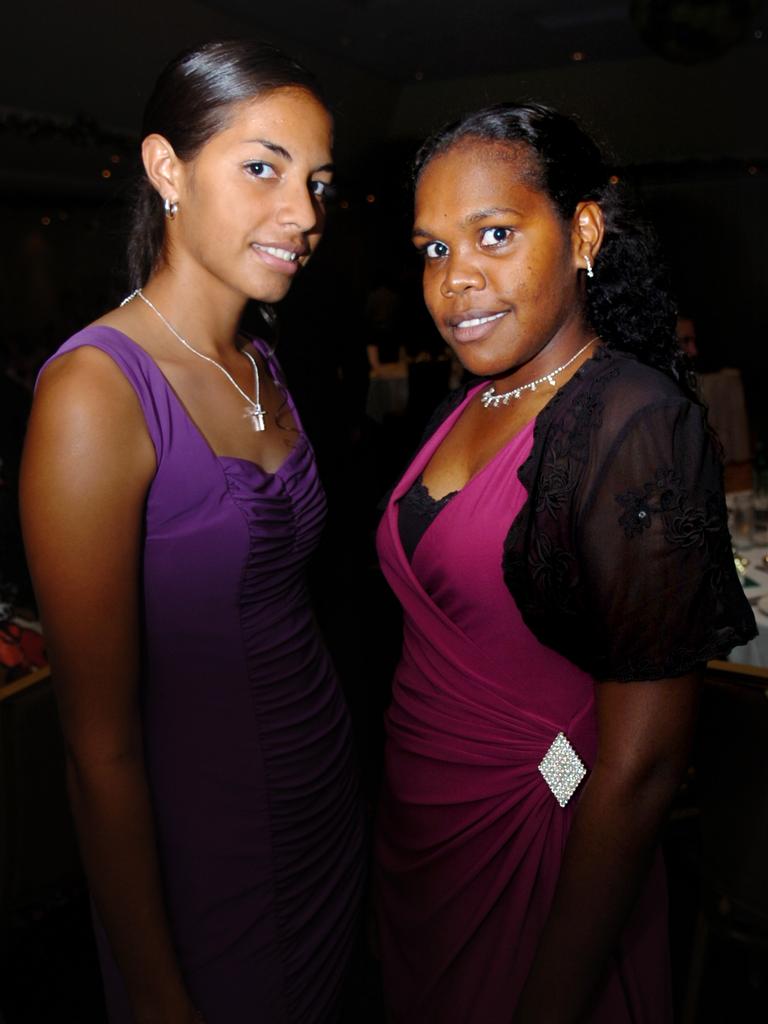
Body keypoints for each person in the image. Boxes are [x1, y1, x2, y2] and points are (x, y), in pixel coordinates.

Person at [374, 102, 756, 1024]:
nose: (455, 280)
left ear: (582, 231)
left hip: (545, 835)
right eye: (433, 250)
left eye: (494, 234)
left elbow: (643, 765)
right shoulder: (470, 398)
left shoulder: (633, 422)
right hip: (426, 836)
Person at [20, 39, 363, 1024]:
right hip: (204, 863)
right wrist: (157, 988)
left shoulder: (260, 359)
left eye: (317, 181)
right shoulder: (95, 392)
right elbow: (98, 752)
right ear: (167, 169)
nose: (303, 215)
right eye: (262, 168)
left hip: (325, 811)